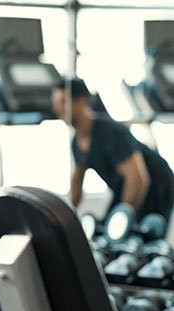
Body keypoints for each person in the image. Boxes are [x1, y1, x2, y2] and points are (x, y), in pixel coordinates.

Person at [52, 78, 174, 224]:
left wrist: (121, 222)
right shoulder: (76, 142)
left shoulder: (110, 132)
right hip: (124, 186)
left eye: (63, 102)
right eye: (56, 103)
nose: (58, 108)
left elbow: (138, 179)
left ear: (82, 101)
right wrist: (66, 220)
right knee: (105, 228)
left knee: (135, 234)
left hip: (156, 184)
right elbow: (77, 181)